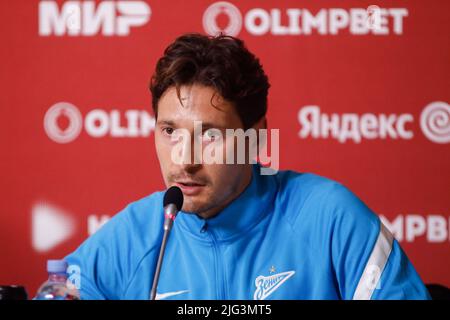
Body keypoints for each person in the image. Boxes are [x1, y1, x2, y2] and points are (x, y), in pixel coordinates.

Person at [65, 33, 430, 300]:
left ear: (255, 138)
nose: (184, 159)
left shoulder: (330, 218)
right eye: (170, 131)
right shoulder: (135, 237)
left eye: (210, 135)